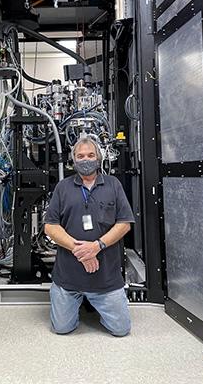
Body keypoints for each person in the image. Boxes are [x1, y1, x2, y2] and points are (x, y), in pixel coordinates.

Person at [44, 136, 135, 336]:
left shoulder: (113, 185)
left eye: (90, 155)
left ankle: (98, 305)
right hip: (68, 278)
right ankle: (76, 303)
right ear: (74, 160)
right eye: (81, 156)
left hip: (105, 278)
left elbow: (124, 224)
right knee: (61, 328)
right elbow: (50, 227)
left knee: (121, 330)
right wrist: (80, 250)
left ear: (99, 158)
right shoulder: (63, 187)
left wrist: (96, 246)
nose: (86, 160)